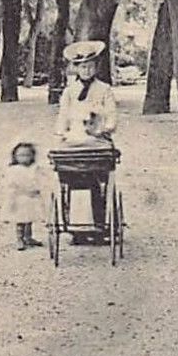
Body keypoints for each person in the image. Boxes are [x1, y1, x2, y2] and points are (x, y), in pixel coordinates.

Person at [56, 40, 118, 243]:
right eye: (83, 66)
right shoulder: (69, 91)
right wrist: (61, 133)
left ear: (96, 67)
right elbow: (63, 115)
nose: (87, 69)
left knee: (99, 179)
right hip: (75, 137)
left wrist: (105, 128)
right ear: (76, 68)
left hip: (96, 137)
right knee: (72, 176)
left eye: (90, 65)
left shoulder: (104, 89)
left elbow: (111, 115)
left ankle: (100, 225)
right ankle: (76, 228)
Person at [2, 141, 47, 251]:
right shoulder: (13, 170)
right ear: (15, 156)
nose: (24, 158)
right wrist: (12, 197)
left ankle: (28, 237)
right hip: (19, 197)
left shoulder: (35, 168)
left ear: (32, 156)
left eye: (27, 155)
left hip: (31, 197)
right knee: (20, 220)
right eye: (21, 155)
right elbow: (10, 184)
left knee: (30, 218)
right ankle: (19, 239)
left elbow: (40, 180)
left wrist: (38, 188)